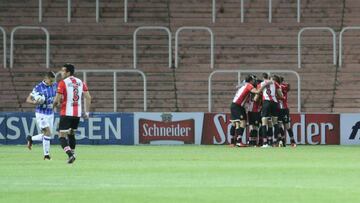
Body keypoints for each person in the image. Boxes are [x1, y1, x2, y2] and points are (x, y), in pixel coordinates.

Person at [53, 64, 92, 164]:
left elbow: (57, 99)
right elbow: (88, 97)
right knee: (71, 134)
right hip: (77, 114)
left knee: (61, 136)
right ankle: (73, 154)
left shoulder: (63, 83)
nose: (61, 73)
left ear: (68, 72)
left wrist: (53, 106)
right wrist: (86, 112)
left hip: (66, 113)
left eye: (63, 71)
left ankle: (70, 155)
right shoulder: (80, 82)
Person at [230, 75, 269, 147]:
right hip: (237, 105)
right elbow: (257, 91)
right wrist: (264, 85)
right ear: (251, 80)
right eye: (253, 80)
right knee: (242, 123)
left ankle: (236, 141)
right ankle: (238, 141)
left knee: (240, 123)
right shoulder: (249, 85)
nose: (254, 81)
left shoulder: (245, 85)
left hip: (238, 105)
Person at [26, 72, 57, 160]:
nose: (52, 83)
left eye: (53, 81)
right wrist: (34, 102)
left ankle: (30, 138)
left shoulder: (55, 85)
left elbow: (57, 97)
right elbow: (28, 99)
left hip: (50, 113)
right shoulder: (38, 88)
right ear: (46, 79)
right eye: (51, 81)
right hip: (41, 113)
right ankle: (46, 155)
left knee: (48, 135)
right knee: (47, 132)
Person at [259, 73, 283, 148]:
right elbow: (281, 95)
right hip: (274, 103)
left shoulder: (261, 83)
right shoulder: (275, 83)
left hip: (266, 102)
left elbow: (258, 93)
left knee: (264, 122)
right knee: (275, 123)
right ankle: (276, 141)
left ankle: (265, 143)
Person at [277, 76, 297, 147]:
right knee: (286, 126)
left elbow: (287, 87)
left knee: (280, 126)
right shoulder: (283, 86)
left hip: (281, 109)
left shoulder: (279, 86)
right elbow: (288, 87)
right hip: (283, 109)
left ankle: (282, 141)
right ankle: (291, 141)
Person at [246, 79, 263, 146]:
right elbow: (256, 100)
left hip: (250, 110)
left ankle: (251, 142)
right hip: (255, 111)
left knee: (252, 126)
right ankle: (255, 142)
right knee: (255, 127)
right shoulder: (258, 91)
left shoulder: (252, 90)